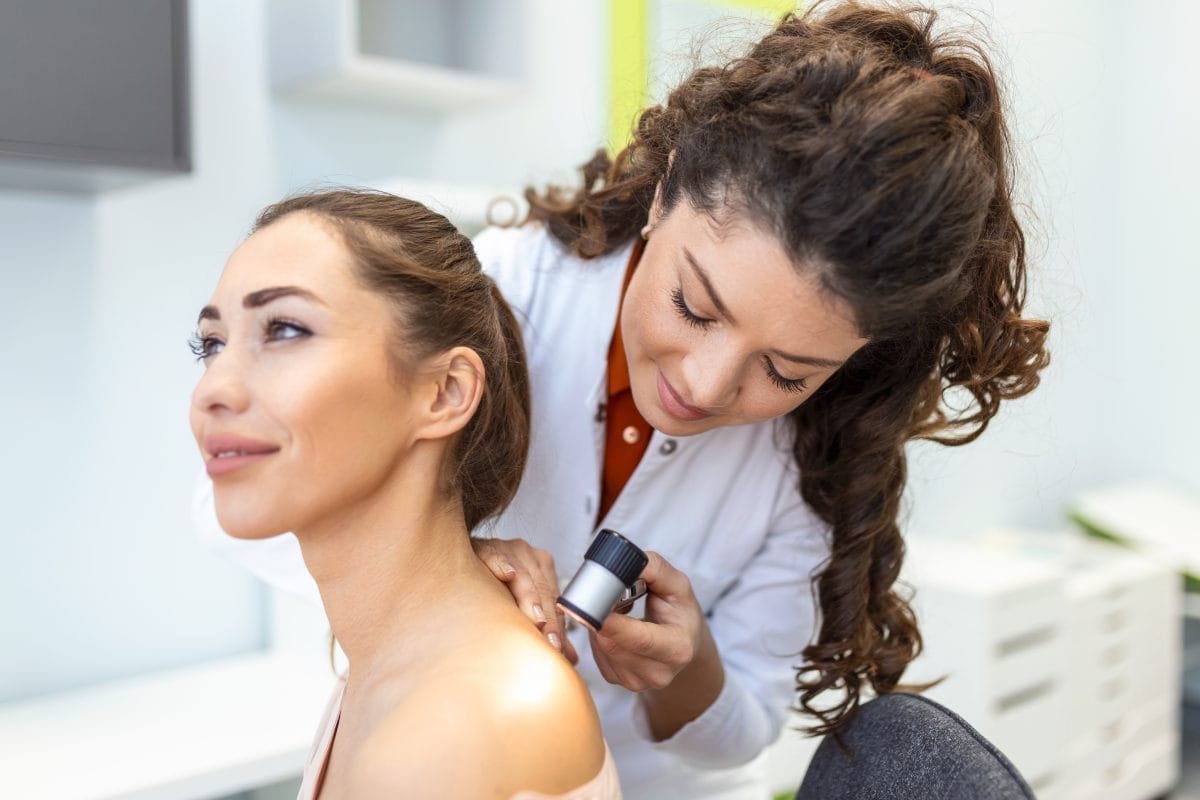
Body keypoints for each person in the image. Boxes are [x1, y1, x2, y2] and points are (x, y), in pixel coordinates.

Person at [195, 3, 1050, 797]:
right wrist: (444, 555)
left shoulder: (810, 456)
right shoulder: (506, 302)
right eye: (694, 307)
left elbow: (742, 732)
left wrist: (689, 670)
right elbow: (247, 492)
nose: (706, 386)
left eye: (785, 372)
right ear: (667, 189)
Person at [188, 191, 620, 799]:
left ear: (444, 392)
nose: (213, 389)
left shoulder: (453, 732)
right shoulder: (383, 666)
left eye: (284, 329)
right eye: (211, 345)